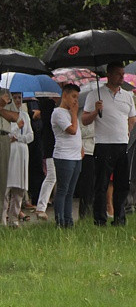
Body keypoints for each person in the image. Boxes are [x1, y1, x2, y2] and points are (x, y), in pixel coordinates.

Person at [81, 62, 136, 226]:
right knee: (102, 184)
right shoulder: (95, 95)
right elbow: (84, 120)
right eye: (118, 74)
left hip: (121, 144)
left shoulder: (127, 95)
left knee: (121, 184)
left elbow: (132, 117)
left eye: (123, 73)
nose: (121, 77)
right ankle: (100, 218)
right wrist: (95, 111)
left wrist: (128, 128)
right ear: (109, 75)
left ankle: (120, 217)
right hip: (104, 144)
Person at [0, 66, 19, 225]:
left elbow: (15, 116)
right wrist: (0, 106)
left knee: (1, 181)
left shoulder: (5, 93)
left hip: (5, 137)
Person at [53, 84, 82, 228]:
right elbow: (72, 130)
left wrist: (81, 148)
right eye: (73, 97)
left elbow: (78, 133)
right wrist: (74, 114)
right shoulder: (58, 113)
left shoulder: (72, 113)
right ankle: (60, 221)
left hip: (76, 156)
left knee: (71, 191)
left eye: (77, 97)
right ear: (65, 95)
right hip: (64, 156)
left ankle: (68, 221)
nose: (76, 101)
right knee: (63, 190)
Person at [3, 93, 33, 227]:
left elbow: (30, 136)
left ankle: (14, 218)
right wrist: (17, 128)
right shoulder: (7, 115)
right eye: (14, 98)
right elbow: (8, 135)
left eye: (19, 98)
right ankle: (3, 217)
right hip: (11, 151)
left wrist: (20, 137)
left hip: (22, 151)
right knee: (7, 186)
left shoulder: (25, 115)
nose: (17, 100)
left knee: (20, 188)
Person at [34, 95, 59, 221]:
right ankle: (41, 207)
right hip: (52, 147)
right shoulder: (49, 106)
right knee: (51, 176)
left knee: (54, 177)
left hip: (53, 146)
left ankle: (49, 205)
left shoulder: (49, 108)